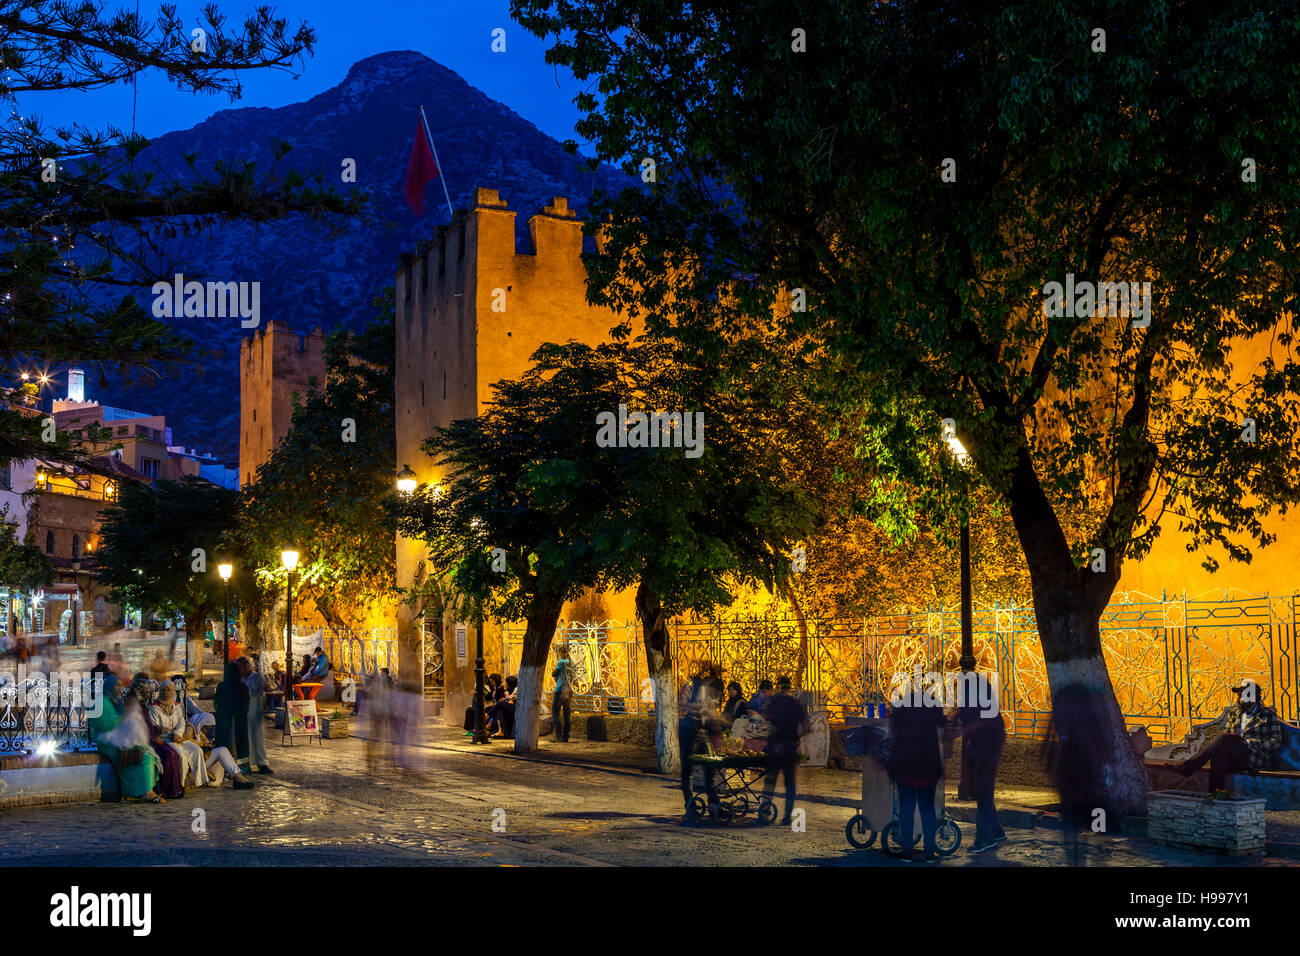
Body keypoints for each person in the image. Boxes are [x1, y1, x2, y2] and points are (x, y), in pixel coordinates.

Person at [1174, 678, 1281, 791]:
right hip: (1235, 755)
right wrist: (1233, 741)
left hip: (1255, 757)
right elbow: (1227, 736)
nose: (1239, 699)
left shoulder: (1267, 715)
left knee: (1223, 739)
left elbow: (1276, 741)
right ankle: (1215, 795)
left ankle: (1188, 767)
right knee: (1219, 755)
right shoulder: (1235, 713)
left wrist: (1248, 743)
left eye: (1242, 696)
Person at [888, 674, 946, 862]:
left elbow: (893, 729)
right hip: (928, 766)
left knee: (906, 809)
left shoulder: (902, 706)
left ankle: (906, 852)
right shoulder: (933, 706)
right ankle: (929, 853)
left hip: (905, 766)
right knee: (927, 809)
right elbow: (943, 727)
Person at [88, 674, 164, 803]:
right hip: (106, 741)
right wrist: (122, 719)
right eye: (117, 685)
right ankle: (143, 792)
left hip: (116, 737)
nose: (120, 688)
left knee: (148, 754)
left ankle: (147, 790)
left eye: (120, 685)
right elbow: (102, 726)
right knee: (140, 756)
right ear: (110, 686)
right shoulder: (100, 703)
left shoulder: (115, 702)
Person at [959, 671, 1007, 854]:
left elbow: (978, 722)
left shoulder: (982, 703)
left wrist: (957, 732)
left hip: (987, 747)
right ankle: (996, 831)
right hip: (982, 746)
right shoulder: (979, 699)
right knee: (982, 791)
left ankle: (985, 838)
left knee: (984, 790)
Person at [761, 676, 809, 826]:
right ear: (790, 688)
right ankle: (787, 817)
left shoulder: (773, 702)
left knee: (770, 781)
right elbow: (807, 726)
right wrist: (796, 737)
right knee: (790, 784)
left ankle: (764, 812)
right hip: (790, 748)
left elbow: (767, 721)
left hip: (775, 746)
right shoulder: (797, 703)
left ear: (778, 687)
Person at [133, 677, 185, 799]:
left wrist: (176, 733)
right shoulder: (151, 708)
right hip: (151, 741)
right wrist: (161, 735)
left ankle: (175, 788)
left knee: (174, 754)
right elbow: (152, 728)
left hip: (159, 739)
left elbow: (180, 722)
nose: (166, 693)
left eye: (169, 690)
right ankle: (167, 789)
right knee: (171, 755)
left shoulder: (174, 706)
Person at [213, 661, 252, 778]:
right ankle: (242, 768)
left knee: (224, 742)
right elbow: (246, 704)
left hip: (225, 720)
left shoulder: (221, 686)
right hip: (239, 721)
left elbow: (216, 704)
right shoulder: (243, 687)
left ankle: (224, 767)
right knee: (241, 744)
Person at [239, 656, 273, 774]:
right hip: (244, 712)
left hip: (255, 710)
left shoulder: (256, 677)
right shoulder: (239, 679)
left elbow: (257, 690)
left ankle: (262, 763)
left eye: (245, 665)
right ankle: (248, 763)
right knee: (246, 738)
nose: (243, 668)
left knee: (258, 738)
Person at [552, 647, 573, 742]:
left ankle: (558, 735)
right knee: (566, 713)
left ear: (561, 653)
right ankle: (566, 736)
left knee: (555, 712)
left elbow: (554, 673)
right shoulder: (571, 663)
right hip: (569, 690)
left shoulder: (561, 662)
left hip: (560, 689)